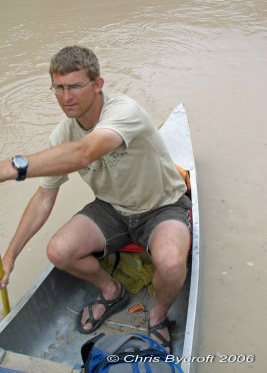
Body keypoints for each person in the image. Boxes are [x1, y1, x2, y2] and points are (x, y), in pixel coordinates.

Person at [0, 45, 191, 352]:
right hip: (112, 208)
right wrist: (10, 256)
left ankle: (157, 316)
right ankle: (111, 290)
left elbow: (85, 152)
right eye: (58, 88)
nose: (66, 97)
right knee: (58, 251)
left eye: (75, 86)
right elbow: (44, 197)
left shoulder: (123, 111)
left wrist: (12, 167)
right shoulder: (63, 134)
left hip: (162, 206)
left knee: (170, 266)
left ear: (98, 84)